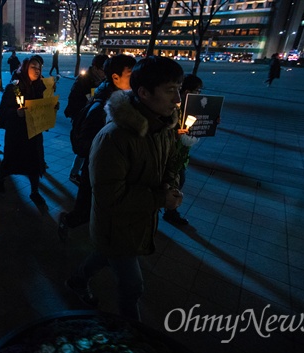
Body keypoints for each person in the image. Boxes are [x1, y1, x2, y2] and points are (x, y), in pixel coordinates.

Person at [65, 56, 184, 322]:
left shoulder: (162, 126)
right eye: (170, 90)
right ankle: (132, 334)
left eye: (179, 88)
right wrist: (159, 198)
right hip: (115, 224)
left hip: (137, 222)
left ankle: (77, 280)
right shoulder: (113, 137)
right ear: (143, 92)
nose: (177, 99)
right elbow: (109, 197)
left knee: (104, 256)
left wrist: (171, 183)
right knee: (132, 287)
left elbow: (168, 163)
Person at [58, 54, 136, 240]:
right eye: (131, 73)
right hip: (98, 169)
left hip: (112, 169)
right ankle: (67, 222)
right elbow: (85, 144)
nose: (136, 78)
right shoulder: (102, 105)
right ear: (116, 77)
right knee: (85, 209)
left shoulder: (123, 96)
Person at [0, 56, 49, 210]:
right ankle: (0, 177)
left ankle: (34, 191)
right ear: (25, 68)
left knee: (34, 162)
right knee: (12, 161)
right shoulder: (15, 86)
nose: (37, 71)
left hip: (34, 132)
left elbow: (42, 105)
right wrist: (15, 113)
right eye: (33, 67)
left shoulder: (40, 86)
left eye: (39, 68)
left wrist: (51, 107)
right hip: (17, 133)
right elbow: (3, 110)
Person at [163, 74, 203, 226]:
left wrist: (208, 124)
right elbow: (185, 139)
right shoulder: (175, 111)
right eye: (197, 91)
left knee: (177, 182)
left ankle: (170, 211)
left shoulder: (189, 109)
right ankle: (170, 212)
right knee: (175, 184)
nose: (198, 94)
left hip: (180, 157)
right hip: (172, 158)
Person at [63, 54, 109, 185]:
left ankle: (82, 171)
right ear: (95, 68)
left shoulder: (101, 81)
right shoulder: (83, 80)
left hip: (92, 117)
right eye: (102, 71)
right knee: (83, 147)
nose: (104, 74)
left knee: (90, 147)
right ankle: (74, 173)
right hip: (80, 117)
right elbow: (77, 101)